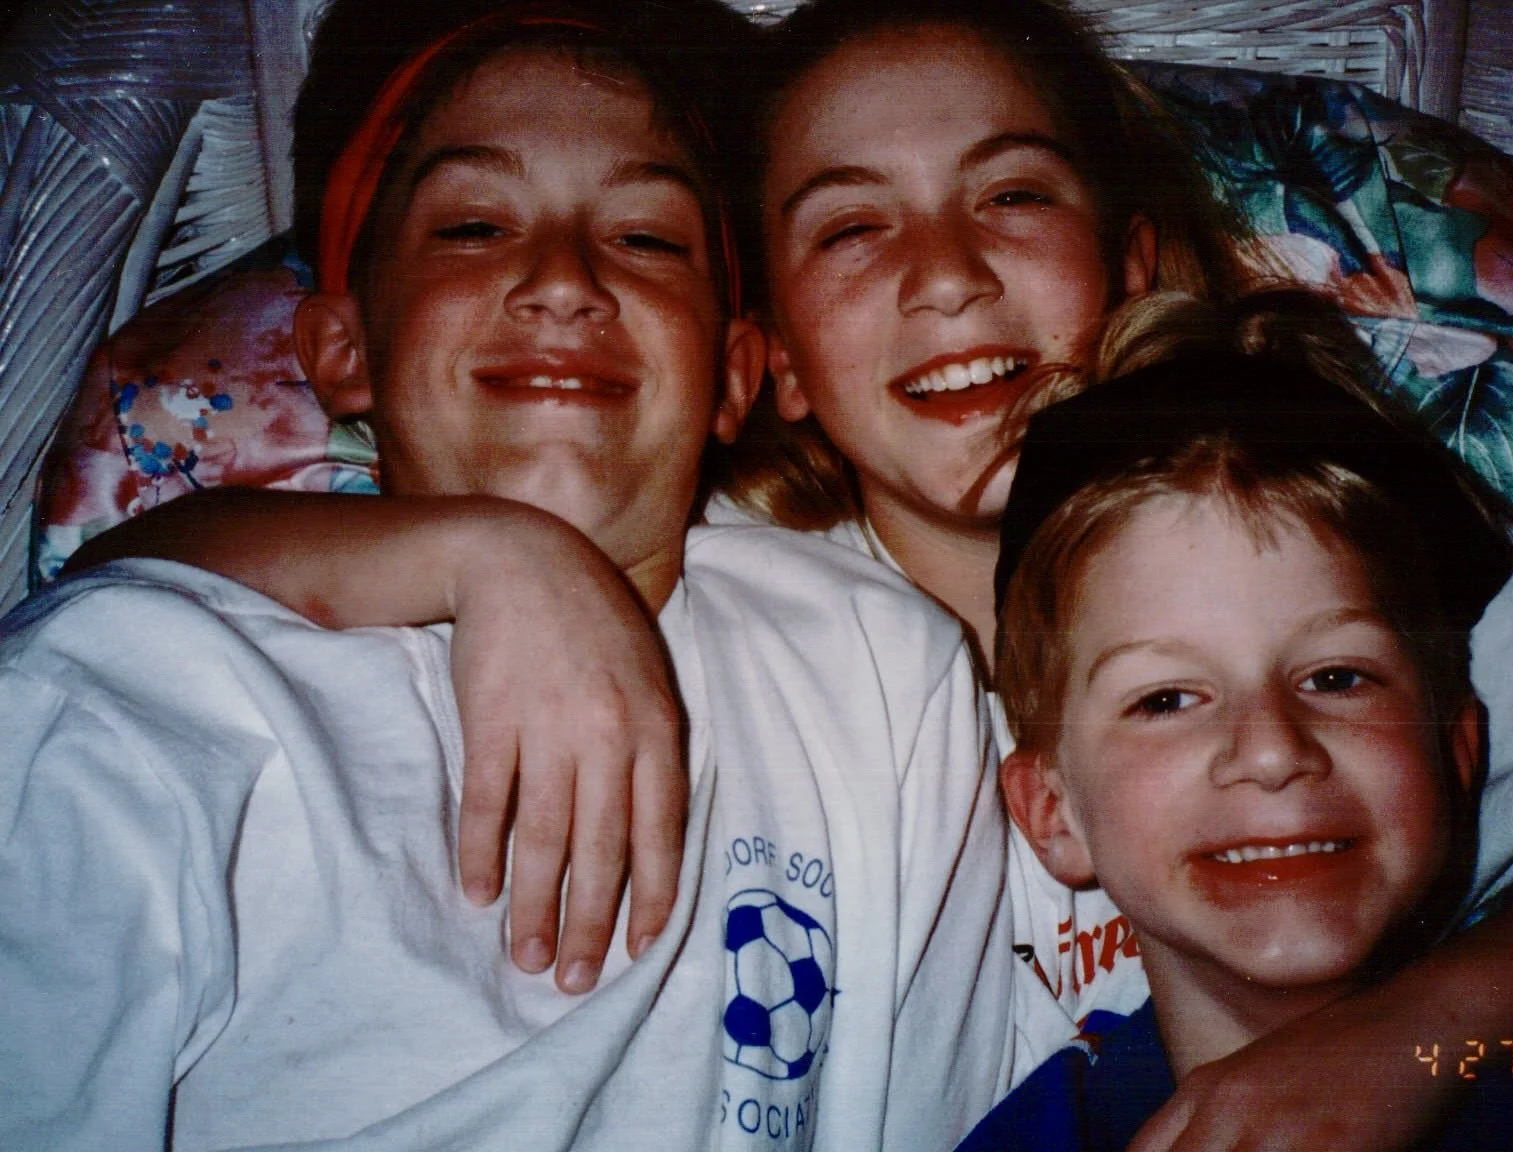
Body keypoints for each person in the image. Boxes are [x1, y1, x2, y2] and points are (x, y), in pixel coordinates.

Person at [57, 0, 1513, 1146]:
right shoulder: (769, 604)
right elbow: (112, 619)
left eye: (1010, 199)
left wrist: (1441, 1031)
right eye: (851, 224)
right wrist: (480, 551)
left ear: (1130, 258)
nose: (949, 278)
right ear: (773, 358)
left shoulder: (1312, 554)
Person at [0, 3, 1012, 1148]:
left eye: (646, 239)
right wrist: (489, 553)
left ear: (735, 375)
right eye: (475, 226)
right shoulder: (131, 709)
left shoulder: (877, 676)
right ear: (343, 351)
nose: (564, 279)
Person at [958, 292, 1513, 1151]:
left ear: (1457, 751)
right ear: (1052, 809)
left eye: (1337, 677)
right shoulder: (1045, 1129)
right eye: (1164, 699)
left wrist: (1431, 1036)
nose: (1274, 749)